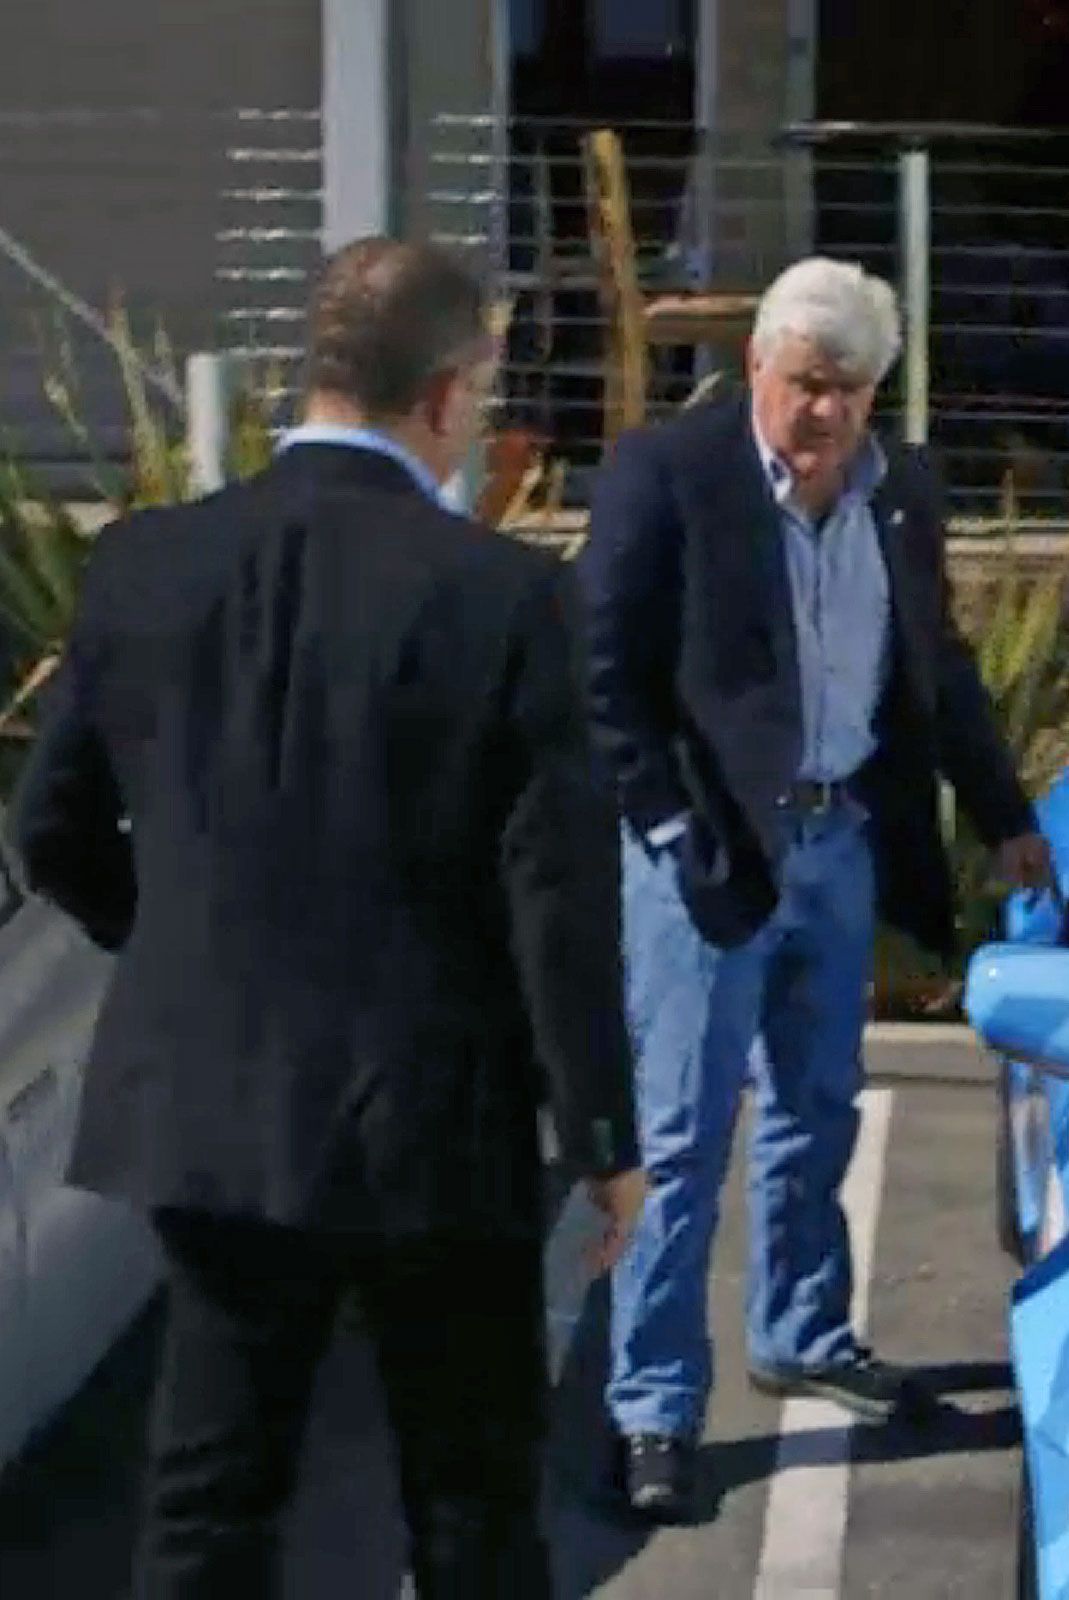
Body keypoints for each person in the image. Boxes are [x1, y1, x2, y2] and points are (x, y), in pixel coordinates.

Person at [8, 237, 647, 1597]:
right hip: (436, 1117)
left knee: (208, 1498)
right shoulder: (506, 595)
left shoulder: (145, 566)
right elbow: (559, 895)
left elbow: (48, 830)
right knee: (470, 1503)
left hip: (213, 1107)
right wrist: (602, 1135)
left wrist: (180, 945)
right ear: (451, 391)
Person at [576, 255, 1054, 1522]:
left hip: (841, 841)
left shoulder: (902, 491)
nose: (828, 413)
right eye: (806, 385)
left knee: (818, 1105)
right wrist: (672, 829)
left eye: (851, 390)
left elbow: (936, 663)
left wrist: (1002, 811)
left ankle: (801, 1329)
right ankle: (652, 1409)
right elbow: (603, 677)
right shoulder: (667, 477)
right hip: (714, 852)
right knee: (680, 1139)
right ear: (755, 368)